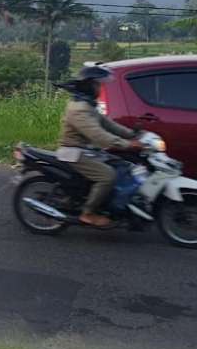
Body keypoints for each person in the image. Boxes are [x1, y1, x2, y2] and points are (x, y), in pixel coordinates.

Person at [56, 65, 143, 228]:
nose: (100, 88)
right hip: (73, 152)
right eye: (97, 85)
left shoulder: (88, 105)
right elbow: (98, 135)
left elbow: (109, 125)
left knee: (122, 165)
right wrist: (127, 144)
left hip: (86, 150)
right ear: (88, 85)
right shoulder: (79, 109)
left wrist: (132, 134)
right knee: (107, 176)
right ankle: (88, 213)